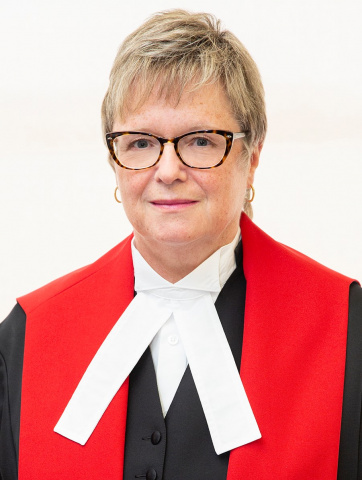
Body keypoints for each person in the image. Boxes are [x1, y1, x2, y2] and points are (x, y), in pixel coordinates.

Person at [0, 9, 361, 480]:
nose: (168, 171)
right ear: (115, 162)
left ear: (251, 158)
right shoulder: (25, 338)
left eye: (201, 141)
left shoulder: (347, 331)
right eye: (140, 143)